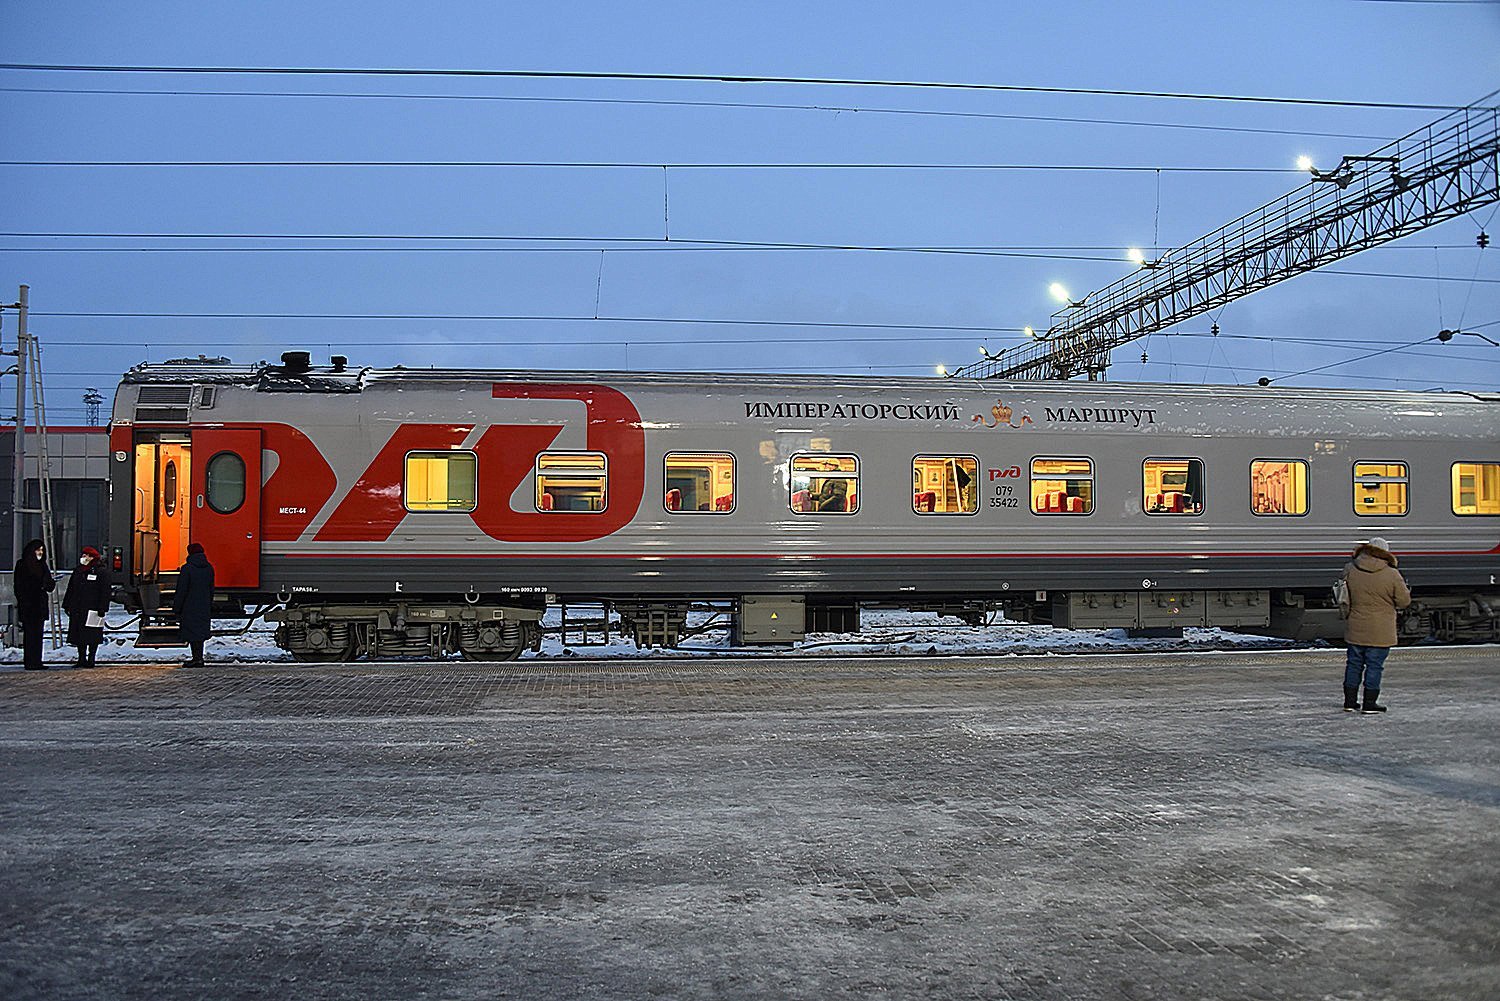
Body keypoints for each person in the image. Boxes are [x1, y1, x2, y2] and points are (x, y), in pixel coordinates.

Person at [1342, 536, 1411, 714]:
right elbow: (1403, 601)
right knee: (1374, 666)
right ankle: (1369, 703)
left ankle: (1349, 702)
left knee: (1354, 664)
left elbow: (1343, 596)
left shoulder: (1350, 569)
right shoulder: (1392, 574)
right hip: (1381, 629)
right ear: (1385, 552)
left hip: (1356, 625)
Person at [63, 546, 111, 668]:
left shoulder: (101, 572)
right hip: (78, 608)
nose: (84, 558)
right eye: (83, 555)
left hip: (93, 608)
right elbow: (71, 588)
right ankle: (81, 658)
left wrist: (102, 608)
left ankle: (91, 658)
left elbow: (105, 591)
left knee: (92, 635)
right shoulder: (79, 571)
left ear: (92, 557)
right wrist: (67, 605)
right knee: (79, 634)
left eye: (86, 556)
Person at [12, 538, 56, 671]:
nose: (40, 552)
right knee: (30, 635)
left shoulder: (43, 565)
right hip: (29, 606)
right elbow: (19, 586)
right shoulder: (22, 565)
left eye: (42, 550)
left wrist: (49, 583)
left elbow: (49, 585)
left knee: (38, 635)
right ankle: (30, 661)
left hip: (39, 606)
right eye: (37, 550)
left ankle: (37, 660)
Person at [172, 542, 215, 668]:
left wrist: (176, 607)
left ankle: (196, 659)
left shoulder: (187, 568)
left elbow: (182, 590)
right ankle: (199, 658)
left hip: (189, 605)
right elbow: (211, 588)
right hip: (203, 604)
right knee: (199, 633)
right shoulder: (209, 568)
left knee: (192, 633)